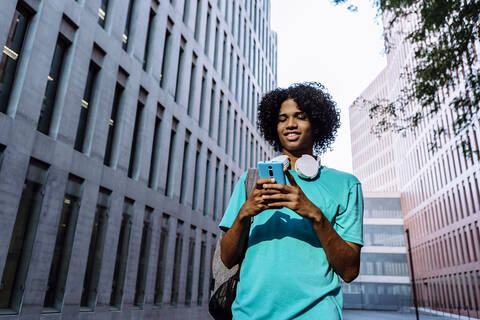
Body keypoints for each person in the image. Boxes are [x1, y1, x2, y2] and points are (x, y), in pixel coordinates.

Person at [219, 82, 364, 320]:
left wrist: (314, 214)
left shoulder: (346, 185)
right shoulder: (251, 180)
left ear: (316, 124)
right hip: (249, 315)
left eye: (300, 117)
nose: (290, 125)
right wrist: (245, 213)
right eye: (282, 119)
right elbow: (227, 258)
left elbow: (349, 271)